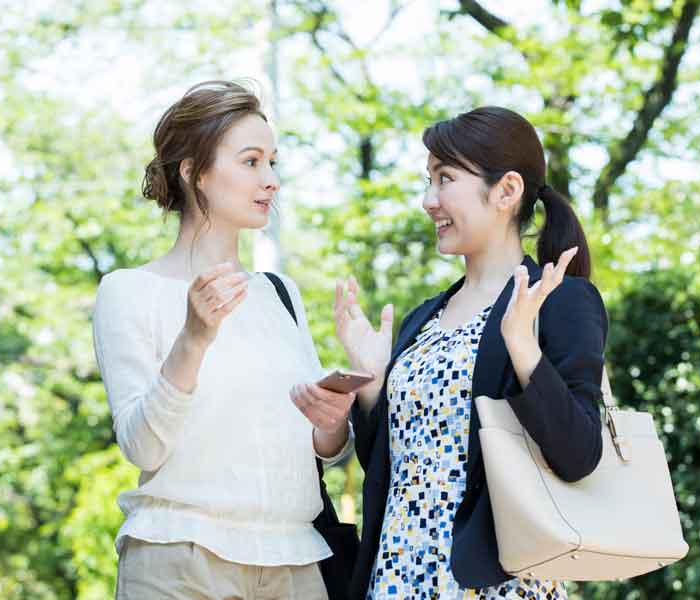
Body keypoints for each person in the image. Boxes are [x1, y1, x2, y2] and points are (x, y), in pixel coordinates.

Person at [92, 80, 355, 600]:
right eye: (252, 161)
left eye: (273, 163)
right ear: (194, 172)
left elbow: (319, 450)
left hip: (294, 563)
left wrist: (333, 425)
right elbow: (142, 446)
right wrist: (193, 337)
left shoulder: (280, 294)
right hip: (180, 562)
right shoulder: (128, 291)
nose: (272, 180)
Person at [334, 107, 608, 599]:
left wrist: (524, 352)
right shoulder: (423, 318)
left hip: (492, 585)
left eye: (445, 179)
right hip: (397, 577)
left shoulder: (559, 300)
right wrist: (373, 381)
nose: (428, 201)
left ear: (506, 191)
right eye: (428, 180)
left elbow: (580, 454)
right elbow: (390, 466)